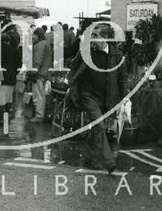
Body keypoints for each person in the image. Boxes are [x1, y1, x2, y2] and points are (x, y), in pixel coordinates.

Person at [67, 25, 128, 174]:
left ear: (106, 38)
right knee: (99, 126)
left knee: (97, 127)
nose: (93, 38)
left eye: (96, 35)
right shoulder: (86, 51)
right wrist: (71, 84)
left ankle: (87, 155)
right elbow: (73, 67)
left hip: (107, 98)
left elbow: (123, 77)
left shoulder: (117, 55)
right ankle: (109, 162)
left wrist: (125, 96)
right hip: (88, 96)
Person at [0, 33, 22, 125]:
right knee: (8, 99)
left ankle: (1, 118)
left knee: (0, 99)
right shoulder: (14, 50)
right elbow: (19, 64)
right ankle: (6, 117)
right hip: (11, 77)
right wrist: (14, 73)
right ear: (8, 41)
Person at [28, 27, 52, 122]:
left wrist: (32, 73)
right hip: (46, 73)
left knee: (38, 96)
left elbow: (37, 61)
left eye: (33, 35)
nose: (33, 37)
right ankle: (41, 114)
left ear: (37, 35)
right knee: (42, 95)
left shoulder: (39, 45)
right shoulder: (47, 44)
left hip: (39, 74)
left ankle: (39, 116)